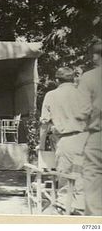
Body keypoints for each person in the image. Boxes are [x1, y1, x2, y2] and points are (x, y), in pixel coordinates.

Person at [39, 67, 89, 215]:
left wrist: (41, 147)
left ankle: (63, 213)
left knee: (65, 181)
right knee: (81, 179)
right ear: (73, 79)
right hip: (86, 139)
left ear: (56, 80)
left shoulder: (51, 95)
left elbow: (44, 123)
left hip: (66, 141)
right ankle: (80, 211)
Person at [77, 41, 102, 216]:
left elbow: (82, 111)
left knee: (93, 183)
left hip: (97, 136)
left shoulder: (89, 77)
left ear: (96, 56)